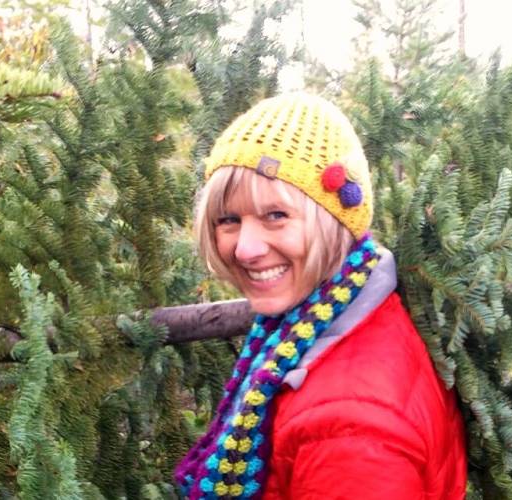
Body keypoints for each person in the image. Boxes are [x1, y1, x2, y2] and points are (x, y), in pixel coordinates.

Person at [174, 93, 467, 499]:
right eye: (228, 220)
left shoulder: (348, 429)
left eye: (275, 216)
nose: (245, 248)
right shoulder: (319, 322)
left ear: (336, 220)